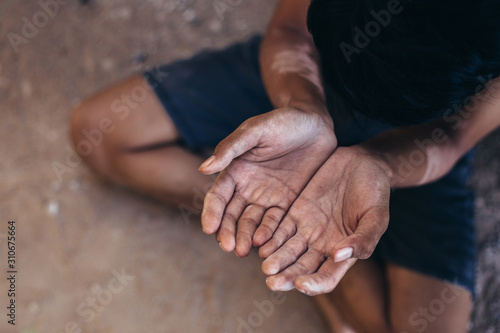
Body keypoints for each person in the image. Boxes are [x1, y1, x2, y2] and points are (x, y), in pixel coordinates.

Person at [70, 0, 500, 332]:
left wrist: (379, 164)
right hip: (309, 77)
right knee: (98, 133)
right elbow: (291, 30)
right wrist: (304, 106)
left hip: (416, 142)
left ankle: (292, 240)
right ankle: (277, 233)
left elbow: (455, 137)